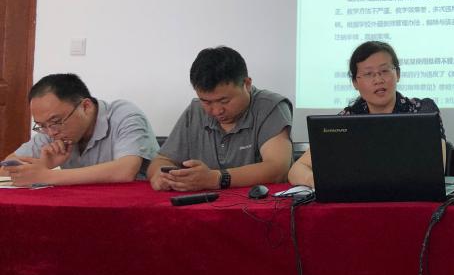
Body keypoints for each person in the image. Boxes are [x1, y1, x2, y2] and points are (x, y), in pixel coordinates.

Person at [288, 41, 445, 187]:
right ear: (355, 83)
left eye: (384, 71)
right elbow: (297, 169)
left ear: (397, 74)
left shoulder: (423, 111)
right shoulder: (346, 120)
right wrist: (320, 182)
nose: (378, 80)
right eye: (369, 74)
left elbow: (437, 167)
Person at [149, 46, 292, 192]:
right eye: (206, 102)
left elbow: (278, 168)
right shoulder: (195, 111)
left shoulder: (270, 106)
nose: (217, 111)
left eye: (224, 101)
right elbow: (162, 160)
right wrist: (162, 175)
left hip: (259, 204)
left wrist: (216, 179)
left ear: (247, 84)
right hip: (203, 203)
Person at [3, 73, 158, 186]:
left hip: (134, 208)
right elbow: (6, 167)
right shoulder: (50, 130)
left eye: (56, 122)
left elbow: (125, 170)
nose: (51, 132)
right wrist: (44, 164)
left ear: (86, 107)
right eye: (41, 125)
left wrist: (47, 175)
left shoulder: (124, 115)